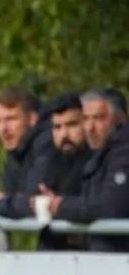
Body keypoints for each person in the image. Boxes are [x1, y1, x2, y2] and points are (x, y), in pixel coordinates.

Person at [37, 88, 129, 251]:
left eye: (99, 118)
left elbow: (111, 206)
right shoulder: (100, 155)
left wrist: (62, 206)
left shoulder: (123, 153)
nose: (90, 128)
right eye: (86, 119)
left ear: (119, 119)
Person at [28, 92, 91, 250]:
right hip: (52, 253)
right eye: (57, 127)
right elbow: (28, 198)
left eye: (72, 124)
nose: (64, 134)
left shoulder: (100, 158)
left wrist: (60, 205)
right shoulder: (46, 159)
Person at [0, 87, 51, 219]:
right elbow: (12, 194)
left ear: (32, 118)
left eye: (11, 119)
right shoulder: (16, 148)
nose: (3, 129)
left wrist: (2, 204)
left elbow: (33, 202)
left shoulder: (47, 143)